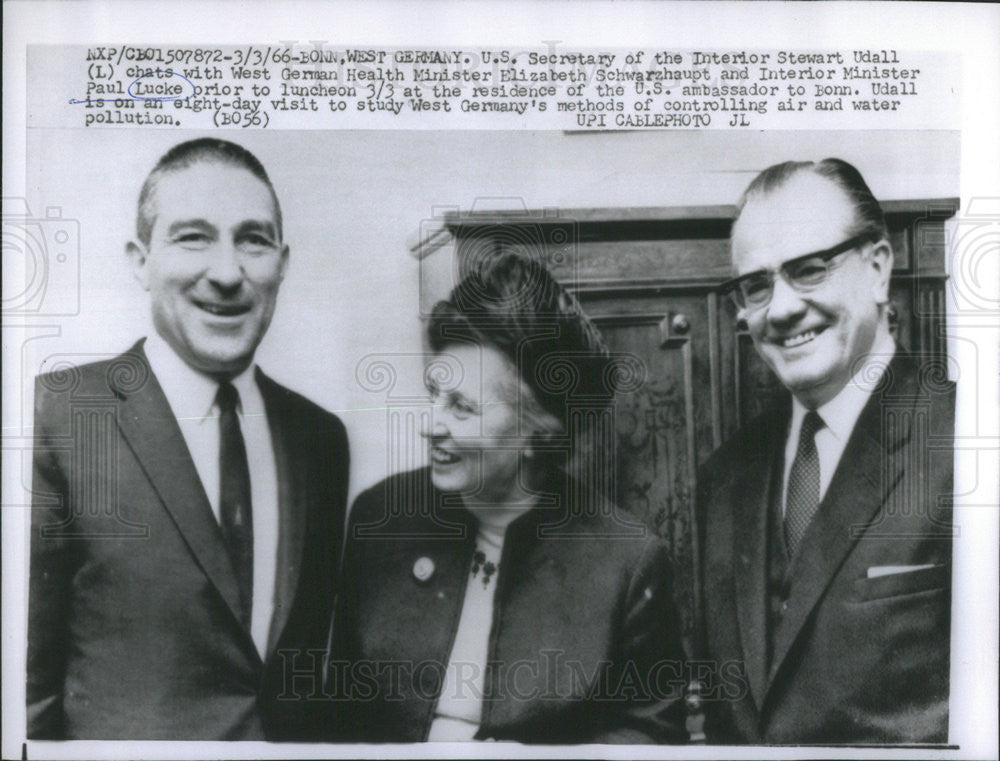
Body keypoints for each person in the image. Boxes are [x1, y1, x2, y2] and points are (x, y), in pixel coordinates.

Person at [27, 138, 349, 740]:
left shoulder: (320, 439)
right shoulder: (59, 416)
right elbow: (22, 692)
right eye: (193, 236)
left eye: (252, 239)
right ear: (140, 260)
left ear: (282, 262)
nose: (227, 273)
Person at [327, 253, 688, 743]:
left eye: (462, 406)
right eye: (435, 393)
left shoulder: (627, 560)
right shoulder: (380, 518)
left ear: (537, 432)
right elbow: (340, 718)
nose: (429, 424)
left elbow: (651, 736)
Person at [696, 159, 954, 743]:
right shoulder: (723, 477)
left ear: (878, 268)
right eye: (757, 285)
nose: (781, 309)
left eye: (809, 271)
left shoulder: (969, 444)